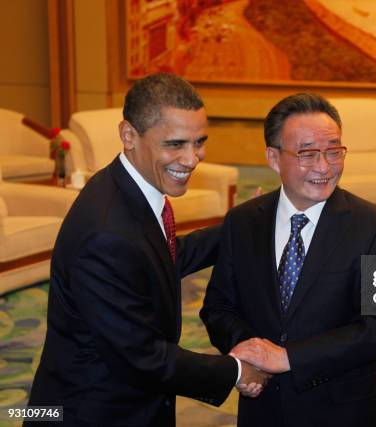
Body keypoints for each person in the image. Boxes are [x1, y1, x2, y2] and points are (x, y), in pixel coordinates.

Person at [27, 73, 267, 427]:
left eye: (199, 141)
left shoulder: (125, 190)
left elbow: (162, 256)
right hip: (89, 411)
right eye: (175, 144)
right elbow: (142, 357)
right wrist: (236, 370)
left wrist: (235, 230)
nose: (191, 158)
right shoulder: (107, 232)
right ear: (129, 136)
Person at [200, 93, 376, 427]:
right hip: (263, 406)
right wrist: (251, 356)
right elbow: (218, 307)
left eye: (334, 151)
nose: (324, 167)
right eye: (307, 153)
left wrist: (288, 358)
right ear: (274, 158)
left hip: (342, 409)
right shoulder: (243, 221)